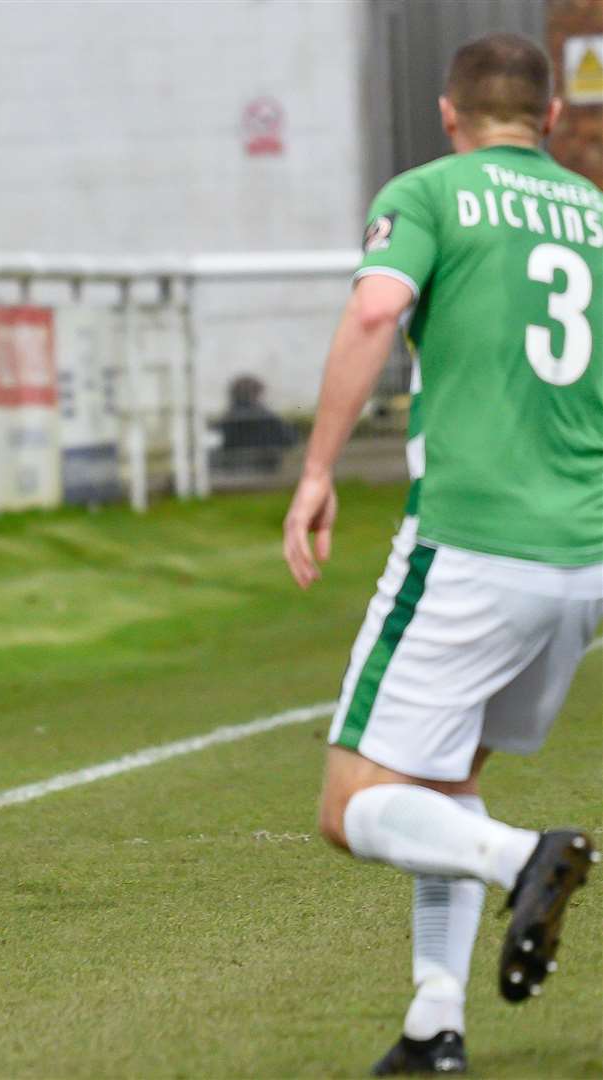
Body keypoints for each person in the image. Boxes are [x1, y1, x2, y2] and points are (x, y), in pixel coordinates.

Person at [282, 33, 601, 1077]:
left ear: (448, 114)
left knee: (351, 806)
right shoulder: (597, 214)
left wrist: (319, 469)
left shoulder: (429, 190)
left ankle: (526, 861)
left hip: (470, 539)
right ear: (549, 119)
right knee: (443, 780)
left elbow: (377, 305)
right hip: (583, 564)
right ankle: (433, 1023)